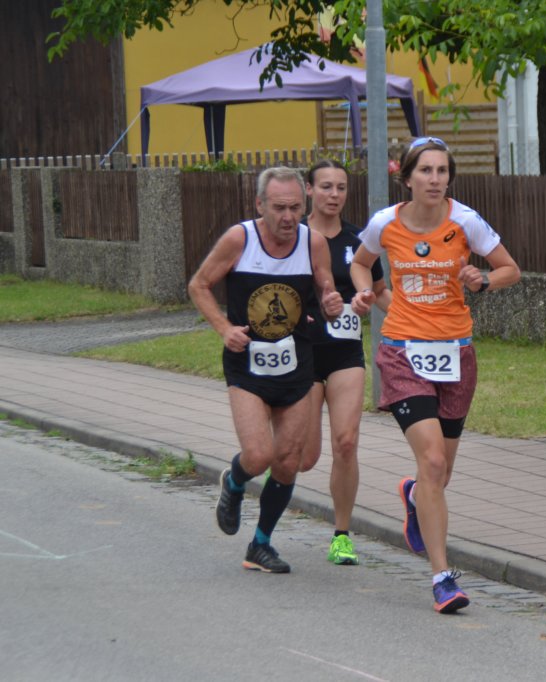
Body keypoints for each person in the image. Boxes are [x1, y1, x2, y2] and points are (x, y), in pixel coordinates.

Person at [349, 137, 521, 613]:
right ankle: (442, 578)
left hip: (455, 353)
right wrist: (364, 293)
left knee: (438, 473)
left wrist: (482, 279)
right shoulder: (384, 223)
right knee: (432, 461)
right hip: (402, 351)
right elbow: (360, 263)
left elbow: (510, 269)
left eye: (442, 171)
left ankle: (414, 496)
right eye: (425, 170)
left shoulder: (465, 221)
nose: (435, 179)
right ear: (407, 178)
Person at [188, 166, 343, 574]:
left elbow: (326, 293)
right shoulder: (240, 239)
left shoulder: (313, 242)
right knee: (259, 455)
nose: (288, 217)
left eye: (295, 207)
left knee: (288, 461)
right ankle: (234, 482)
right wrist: (224, 328)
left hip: (295, 365)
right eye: (279, 208)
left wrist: (332, 305)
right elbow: (199, 285)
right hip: (248, 366)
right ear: (260, 204)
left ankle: (260, 544)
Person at [298, 158, 390, 566]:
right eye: (326, 187)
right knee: (303, 458)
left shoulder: (359, 241)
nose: (334, 195)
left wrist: (410, 321)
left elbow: (380, 291)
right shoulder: (294, 238)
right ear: (309, 189)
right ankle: (269, 467)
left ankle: (341, 535)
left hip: (345, 354)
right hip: (302, 353)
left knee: (346, 442)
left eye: (341, 187)